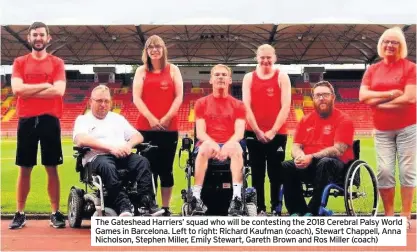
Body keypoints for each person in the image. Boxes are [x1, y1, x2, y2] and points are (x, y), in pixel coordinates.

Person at [9, 22, 67, 229]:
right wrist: (44, 85)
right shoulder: (19, 62)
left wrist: (28, 89)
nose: (38, 38)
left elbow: (59, 91)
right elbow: (17, 89)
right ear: (29, 38)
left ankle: (55, 212)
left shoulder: (57, 63)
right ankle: (20, 213)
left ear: (48, 38)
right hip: (26, 120)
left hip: (50, 120)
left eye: (42, 34)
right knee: (24, 168)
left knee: (52, 168)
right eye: (35, 35)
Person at [73, 85, 162, 217]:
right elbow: (80, 139)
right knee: (107, 166)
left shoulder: (117, 119)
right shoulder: (83, 120)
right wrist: (110, 148)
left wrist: (128, 145)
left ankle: (146, 202)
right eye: (99, 101)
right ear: (91, 102)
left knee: (142, 162)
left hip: (122, 155)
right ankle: (123, 205)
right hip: (98, 157)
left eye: (106, 101)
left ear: (110, 102)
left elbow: (138, 136)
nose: (103, 104)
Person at [359, 27, 416, 228]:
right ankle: (389, 216)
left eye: (395, 42)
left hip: (408, 127)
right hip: (382, 128)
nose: (390, 45)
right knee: (384, 170)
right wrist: (390, 94)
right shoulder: (373, 69)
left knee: (407, 169)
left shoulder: (409, 68)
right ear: (381, 45)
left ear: (401, 46)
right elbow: (362, 96)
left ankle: (405, 215)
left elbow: (410, 97)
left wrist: (379, 103)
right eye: (386, 42)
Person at [282, 81, 354, 216]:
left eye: (325, 94)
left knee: (325, 162)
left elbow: (338, 149)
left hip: (335, 166)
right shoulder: (305, 120)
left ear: (333, 97)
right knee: (287, 165)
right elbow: (296, 146)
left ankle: (312, 212)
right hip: (309, 164)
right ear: (313, 98)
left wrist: (312, 157)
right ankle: (297, 211)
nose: (321, 98)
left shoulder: (344, 120)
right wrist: (299, 156)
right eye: (318, 95)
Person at [132, 35, 183, 216]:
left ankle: (166, 207)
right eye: (150, 47)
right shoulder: (141, 71)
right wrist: (152, 118)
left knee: (166, 169)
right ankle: (149, 205)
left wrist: (168, 117)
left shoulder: (173, 70)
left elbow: (179, 96)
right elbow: (136, 97)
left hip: (169, 129)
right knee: (147, 168)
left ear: (163, 49)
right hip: (146, 128)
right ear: (146, 51)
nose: (154, 50)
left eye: (158, 47)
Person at [242, 44, 291, 215]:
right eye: (262, 57)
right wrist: (257, 130)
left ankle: (276, 207)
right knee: (257, 172)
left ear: (275, 58)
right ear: (257, 58)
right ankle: (259, 208)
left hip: (277, 134)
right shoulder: (249, 78)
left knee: (276, 172)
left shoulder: (282, 77)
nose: (265, 61)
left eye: (269, 57)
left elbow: (286, 106)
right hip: (253, 133)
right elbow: (246, 106)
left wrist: (272, 131)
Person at [191, 64, 247, 216]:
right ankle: (196, 197)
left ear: (230, 80)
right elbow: (200, 133)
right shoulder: (201, 103)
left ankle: (236, 198)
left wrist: (227, 145)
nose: (220, 77)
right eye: (217, 75)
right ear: (211, 80)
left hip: (230, 143)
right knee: (205, 147)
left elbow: (240, 132)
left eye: (224, 75)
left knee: (235, 147)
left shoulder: (239, 105)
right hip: (208, 143)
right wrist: (214, 145)